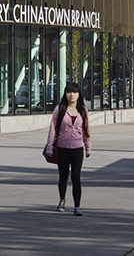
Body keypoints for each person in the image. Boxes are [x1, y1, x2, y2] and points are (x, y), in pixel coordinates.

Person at [45, 80, 91, 216]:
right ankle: (62, 200)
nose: (72, 95)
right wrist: (49, 147)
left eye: (75, 92)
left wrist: (88, 147)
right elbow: (52, 128)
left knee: (76, 176)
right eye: (69, 92)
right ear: (65, 94)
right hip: (62, 147)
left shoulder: (83, 110)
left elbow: (86, 130)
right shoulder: (60, 109)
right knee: (63, 176)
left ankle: (77, 206)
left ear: (78, 94)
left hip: (77, 148)